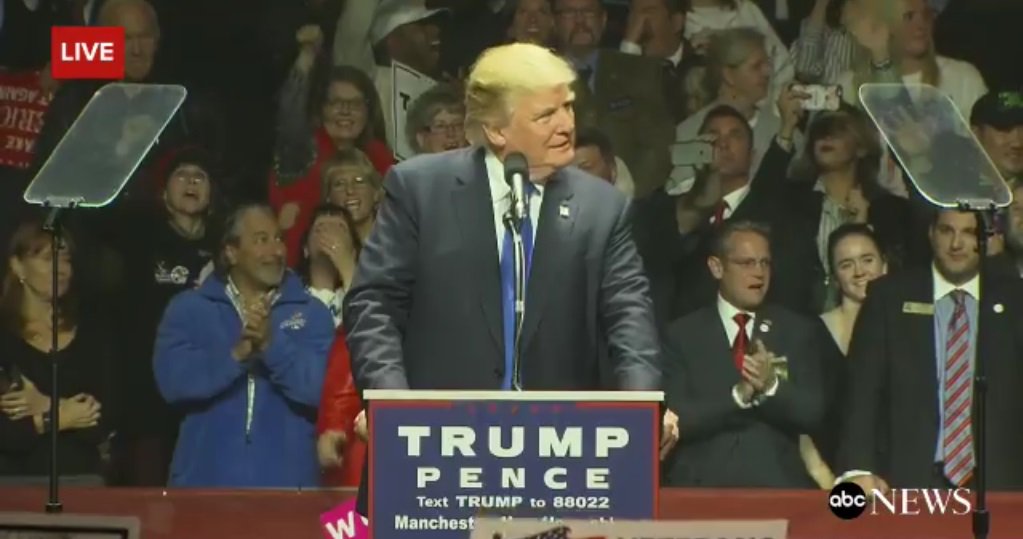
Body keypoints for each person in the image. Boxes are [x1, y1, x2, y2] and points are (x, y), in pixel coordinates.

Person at [344, 41, 678, 509]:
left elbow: (630, 319)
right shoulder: (420, 189)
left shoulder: (602, 209)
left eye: (568, 107)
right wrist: (392, 405)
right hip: (433, 454)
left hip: (558, 461)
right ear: (497, 130)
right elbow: (373, 305)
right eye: (546, 115)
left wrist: (643, 407)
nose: (567, 124)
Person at [838, 209, 1023, 491]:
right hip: (909, 479)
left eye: (969, 232)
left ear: (985, 239)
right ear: (931, 234)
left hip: (1000, 483)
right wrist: (858, 468)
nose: (956, 244)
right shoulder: (889, 296)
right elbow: (862, 391)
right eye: (947, 231)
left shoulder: (1015, 299)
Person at [153, 204, 334, 487]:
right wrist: (236, 355)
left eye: (279, 239)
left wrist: (272, 346)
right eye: (262, 240)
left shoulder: (313, 313)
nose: (276, 251)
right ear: (231, 252)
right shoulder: (188, 309)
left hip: (289, 491)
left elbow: (320, 390)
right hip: (203, 488)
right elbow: (173, 383)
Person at [661, 220, 824, 488]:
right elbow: (676, 418)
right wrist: (738, 397)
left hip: (776, 486)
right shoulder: (682, 335)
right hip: (701, 488)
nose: (759, 273)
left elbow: (813, 412)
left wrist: (771, 386)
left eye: (765, 263)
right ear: (717, 267)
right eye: (747, 263)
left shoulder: (796, 330)